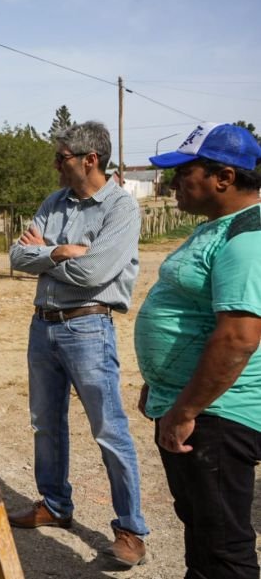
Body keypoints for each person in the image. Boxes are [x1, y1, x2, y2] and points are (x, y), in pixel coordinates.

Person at [8, 121, 149, 567]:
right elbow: (16, 256)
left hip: (89, 328)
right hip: (43, 325)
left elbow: (94, 275)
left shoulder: (121, 209)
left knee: (108, 429)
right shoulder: (56, 202)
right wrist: (62, 251)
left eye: (62, 156)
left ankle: (131, 528)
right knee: (46, 424)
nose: (55, 164)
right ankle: (54, 505)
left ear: (90, 159)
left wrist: (45, 254)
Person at [135, 123, 261, 579]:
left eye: (184, 172)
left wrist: (187, 408)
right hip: (192, 405)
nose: (173, 184)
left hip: (218, 417)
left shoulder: (247, 239)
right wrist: (162, 383)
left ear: (223, 177)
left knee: (225, 545)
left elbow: (238, 337)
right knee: (203, 529)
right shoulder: (219, 228)